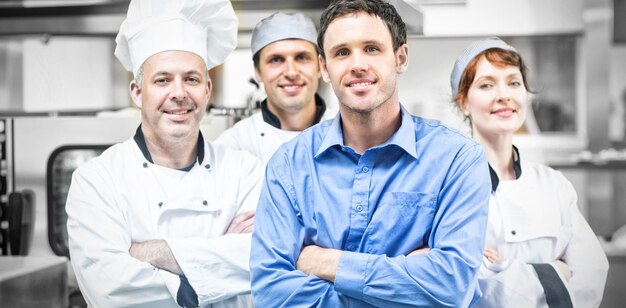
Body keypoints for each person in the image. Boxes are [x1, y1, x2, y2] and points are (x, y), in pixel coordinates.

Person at [250, 0, 492, 306]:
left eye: (372, 48)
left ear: (400, 58)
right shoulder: (290, 164)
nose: (357, 65)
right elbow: (271, 293)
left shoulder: (456, 159)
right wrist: (405, 284)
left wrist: (327, 263)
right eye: (342, 52)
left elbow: (451, 285)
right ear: (325, 67)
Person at [65, 0, 263, 307]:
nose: (180, 93)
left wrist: (152, 252)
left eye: (192, 79)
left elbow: (263, 261)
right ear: (137, 92)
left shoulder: (245, 172)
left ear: (207, 90)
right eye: (162, 80)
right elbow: (111, 290)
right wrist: (220, 255)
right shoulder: (96, 181)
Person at [449, 37, 609, 307]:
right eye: (487, 85)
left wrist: (506, 272)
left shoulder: (554, 185)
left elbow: (592, 276)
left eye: (514, 82)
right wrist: (553, 271)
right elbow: (464, 287)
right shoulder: (449, 187)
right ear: (464, 102)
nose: (504, 95)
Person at [215, 12, 331, 165]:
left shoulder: (348, 133)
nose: (291, 72)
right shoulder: (233, 146)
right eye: (276, 60)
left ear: (320, 66)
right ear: (258, 72)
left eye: (302, 57)